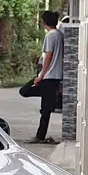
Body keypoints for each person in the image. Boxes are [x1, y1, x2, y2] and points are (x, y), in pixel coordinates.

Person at [19, 10, 64, 144]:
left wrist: (41, 75)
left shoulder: (50, 35)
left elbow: (48, 56)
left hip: (49, 75)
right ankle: (51, 99)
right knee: (46, 107)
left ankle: (40, 136)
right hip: (55, 76)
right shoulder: (60, 35)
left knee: (27, 92)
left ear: (44, 22)